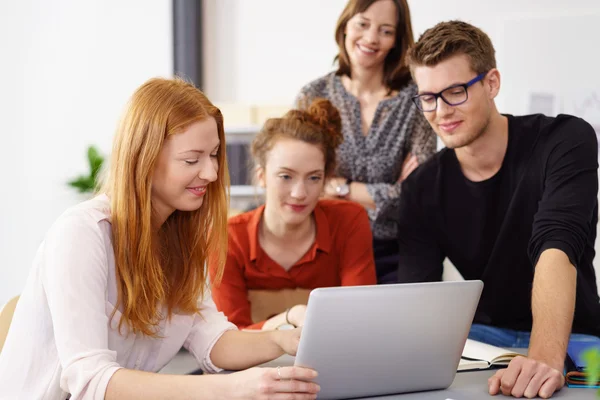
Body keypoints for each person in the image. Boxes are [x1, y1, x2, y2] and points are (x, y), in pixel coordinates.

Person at [0, 78, 321, 399]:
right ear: (145, 159)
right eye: (192, 159)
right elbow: (89, 380)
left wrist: (282, 339)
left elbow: (213, 339)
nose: (211, 173)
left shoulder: (178, 240)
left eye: (213, 155)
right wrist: (232, 387)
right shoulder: (81, 233)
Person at [398, 20, 600, 398]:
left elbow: (557, 246)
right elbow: (419, 300)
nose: (441, 111)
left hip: (578, 334)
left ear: (491, 83)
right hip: (484, 342)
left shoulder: (564, 140)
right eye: (428, 97)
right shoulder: (420, 188)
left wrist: (543, 357)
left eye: (455, 92)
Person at [295, 0, 437, 284]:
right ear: (345, 26)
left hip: (397, 250)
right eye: (362, 24)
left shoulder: (418, 99)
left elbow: (416, 195)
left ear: (397, 39)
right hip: (328, 244)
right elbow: (302, 181)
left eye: (385, 30)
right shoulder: (314, 95)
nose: (371, 38)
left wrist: (340, 187)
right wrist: (386, 192)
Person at [209, 98, 377, 330]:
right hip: (254, 367)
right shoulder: (227, 237)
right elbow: (229, 339)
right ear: (262, 176)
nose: (300, 194)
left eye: (314, 178)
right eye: (286, 176)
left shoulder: (349, 220)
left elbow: (360, 319)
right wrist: (290, 317)